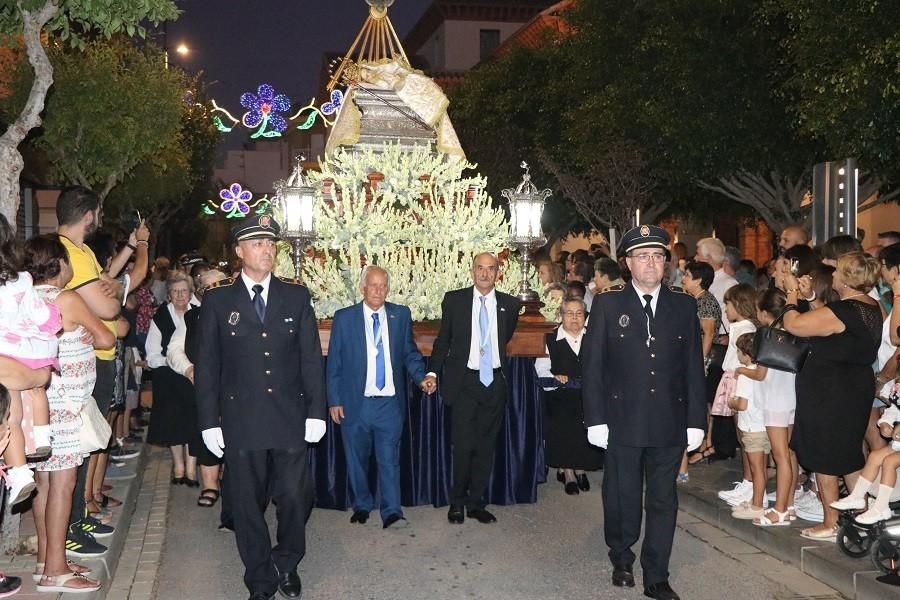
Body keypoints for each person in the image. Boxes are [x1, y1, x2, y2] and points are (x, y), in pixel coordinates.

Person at [196, 214, 326, 600]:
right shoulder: (219, 300)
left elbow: (309, 360)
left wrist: (316, 411)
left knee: (293, 496)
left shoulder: (295, 296)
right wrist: (209, 421)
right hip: (242, 419)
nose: (266, 250)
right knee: (246, 504)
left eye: (270, 244)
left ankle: (286, 562)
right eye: (257, 244)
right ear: (239, 252)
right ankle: (259, 577)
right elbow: (207, 366)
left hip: (289, 417)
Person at [582, 224, 706, 600]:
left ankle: (657, 574)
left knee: (663, 499)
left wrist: (696, 421)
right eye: (642, 256)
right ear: (628, 264)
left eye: (657, 256)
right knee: (621, 495)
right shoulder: (607, 304)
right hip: (622, 418)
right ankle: (621, 556)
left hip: (669, 419)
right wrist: (595, 418)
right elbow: (593, 366)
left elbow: (692, 368)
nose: (650, 263)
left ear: (666, 263)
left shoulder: (684, 305)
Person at [24, 234, 117, 592]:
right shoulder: (66, 297)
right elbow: (106, 337)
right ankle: (56, 571)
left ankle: (47, 560)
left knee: (44, 485)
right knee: (63, 485)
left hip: (39, 405)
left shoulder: (28, 298)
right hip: (64, 407)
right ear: (60, 264)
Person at [783, 251, 882, 541]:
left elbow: (795, 324)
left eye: (837, 270)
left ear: (848, 279)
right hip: (852, 387)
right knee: (848, 454)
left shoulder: (845, 311)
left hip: (831, 391)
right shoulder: (870, 306)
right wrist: (812, 297)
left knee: (826, 456)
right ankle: (862, 517)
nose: (833, 274)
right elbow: (831, 327)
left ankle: (830, 522)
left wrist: (791, 295)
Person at [327, 266, 436, 528]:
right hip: (356, 403)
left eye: (383, 285)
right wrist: (334, 399)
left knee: (389, 460)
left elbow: (409, 353)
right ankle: (362, 504)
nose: (378, 290)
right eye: (373, 285)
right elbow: (335, 362)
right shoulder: (344, 318)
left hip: (389, 403)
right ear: (362, 287)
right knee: (356, 459)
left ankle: (392, 511)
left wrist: (422, 376)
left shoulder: (400, 315)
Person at [430, 252, 521, 525]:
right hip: (465, 383)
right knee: (463, 446)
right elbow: (443, 339)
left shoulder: (511, 304)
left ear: (498, 273)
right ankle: (456, 503)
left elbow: (504, 339)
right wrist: (432, 371)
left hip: (494, 382)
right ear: (472, 271)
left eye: (490, 269)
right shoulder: (455, 300)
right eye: (480, 268)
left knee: (485, 447)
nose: (485, 274)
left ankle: (477, 503)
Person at [56, 186, 123, 557]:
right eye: (97, 212)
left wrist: (111, 292)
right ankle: (69, 526)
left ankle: (79, 514)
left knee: (90, 441)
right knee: (78, 445)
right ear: (88, 214)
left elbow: (111, 290)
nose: (99, 219)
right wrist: (110, 297)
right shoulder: (68, 252)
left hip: (99, 355)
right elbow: (109, 307)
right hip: (87, 358)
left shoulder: (85, 252)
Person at [0, 213, 61, 507]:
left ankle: (20, 470)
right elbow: (39, 315)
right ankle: (35, 445)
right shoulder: (21, 279)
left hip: (7, 354)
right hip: (21, 349)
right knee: (13, 412)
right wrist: (51, 318)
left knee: (9, 414)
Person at [166, 269, 227, 507]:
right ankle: (210, 484)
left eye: (219, 286)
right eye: (206, 288)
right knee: (208, 432)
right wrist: (189, 369)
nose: (211, 292)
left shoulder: (243, 312)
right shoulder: (192, 318)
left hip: (239, 388)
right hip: (207, 388)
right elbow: (174, 350)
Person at [534, 297, 603, 494]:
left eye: (579, 313)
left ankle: (580, 468)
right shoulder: (550, 338)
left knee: (585, 424)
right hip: (559, 395)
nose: (574, 318)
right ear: (561, 315)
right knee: (564, 419)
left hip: (588, 395)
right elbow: (541, 369)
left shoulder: (594, 337)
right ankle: (568, 472)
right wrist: (555, 377)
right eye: (569, 313)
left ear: (585, 316)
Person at [145, 272, 202, 486]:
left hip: (193, 377)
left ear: (190, 293)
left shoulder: (198, 314)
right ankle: (178, 465)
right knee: (174, 423)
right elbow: (152, 354)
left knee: (193, 422)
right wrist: (172, 365)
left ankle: (191, 467)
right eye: (175, 291)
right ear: (169, 294)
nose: (180, 295)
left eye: (184, 291)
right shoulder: (160, 316)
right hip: (168, 377)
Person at [753, 288, 799, 527]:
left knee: (780, 457)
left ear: (764, 313)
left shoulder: (767, 336)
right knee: (790, 455)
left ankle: (779, 509)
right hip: (791, 398)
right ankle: (789, 505)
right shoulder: (794, 331)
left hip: (775, 400)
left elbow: (760, 374)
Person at [680, 261, 722, 469]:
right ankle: (704, 445)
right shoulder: (694, 299)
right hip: (698, 359)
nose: (683, 278)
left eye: (687, 275)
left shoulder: (705, 301)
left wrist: (700, 362)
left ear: (698, 279)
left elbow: (709, 333)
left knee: (705, 404)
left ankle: (706, 445)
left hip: (707, 361)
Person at [727, 333, 770, 520]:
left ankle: (757, 505)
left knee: (756, 469)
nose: (737, 354)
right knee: (762, 466)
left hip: (752, 427)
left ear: (745, 354)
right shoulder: (762, 372)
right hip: (765, 425)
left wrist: (731, 403)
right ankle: (759, 499)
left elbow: (742, 404)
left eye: (738, 350)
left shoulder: (746, 374)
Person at [695, 237, 738, 337]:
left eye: (698, 254)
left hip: (720, 340)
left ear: (708, 258)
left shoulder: (729, 283)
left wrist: (729, 336)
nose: (695, 258)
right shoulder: (698, 280)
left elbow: (741, 314)